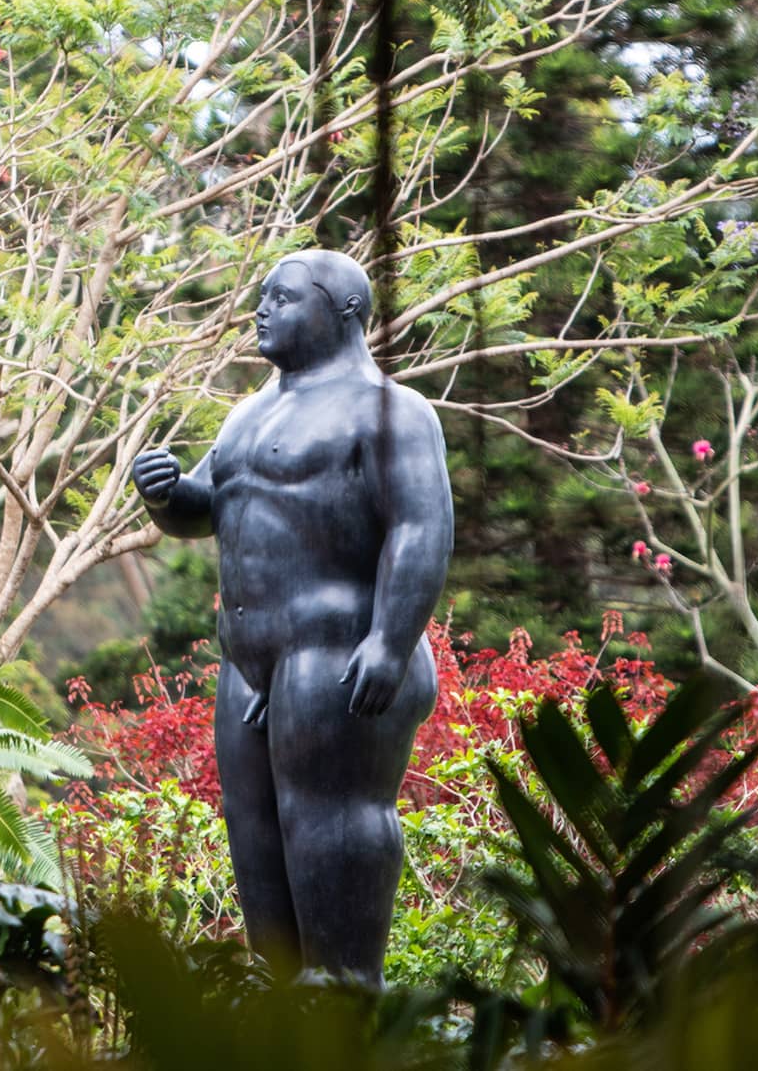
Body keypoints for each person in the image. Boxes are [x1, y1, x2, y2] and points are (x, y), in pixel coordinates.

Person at [132, 250, 451, 984]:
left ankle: (342, 991)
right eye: (260, 296)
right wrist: (165, 494)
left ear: (343, 311)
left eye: (282, 298)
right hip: (251, 662)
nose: (261, 309)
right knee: (255, 828)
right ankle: (276, 993)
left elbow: (420, 528)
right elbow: (207, 510)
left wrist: (390, 642)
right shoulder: (249, 413)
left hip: (341, 651)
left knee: (331, 822)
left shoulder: (392, 411)